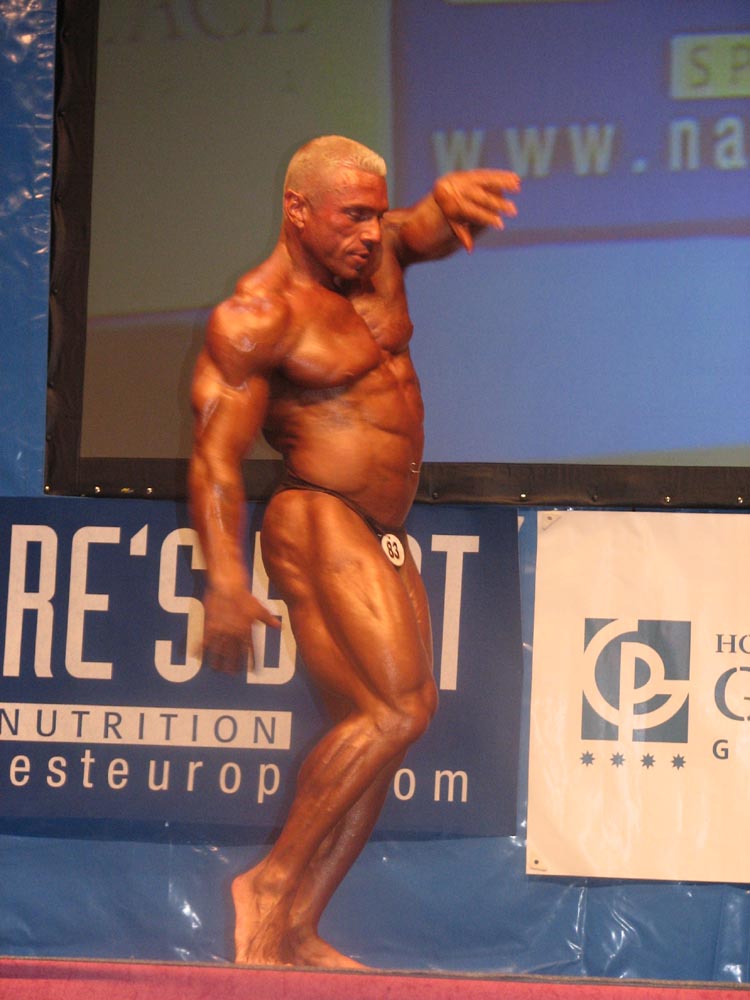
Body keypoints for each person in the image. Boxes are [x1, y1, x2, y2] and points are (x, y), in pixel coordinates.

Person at [189, 135, 519, 968]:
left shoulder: (378, 261)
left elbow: (422, 229)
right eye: (352, 217)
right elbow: (216, 458)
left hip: (382, 529)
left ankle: (296, 926)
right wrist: (224, 579)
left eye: (376, 213)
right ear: (297, 210)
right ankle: (268, 884)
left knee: (387, 725)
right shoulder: (259, 316)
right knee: (397, 709)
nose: (370, 234)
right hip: (317, 513)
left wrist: (443, 206)